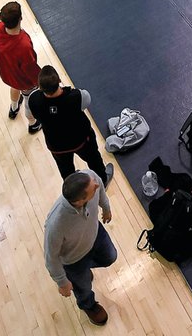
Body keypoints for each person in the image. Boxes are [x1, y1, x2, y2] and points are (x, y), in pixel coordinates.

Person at [43, 171, 115, 328]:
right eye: (92, 188)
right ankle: (88, 305)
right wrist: (62, 282)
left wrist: (106, 208)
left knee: (110, 256)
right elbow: (51, 258)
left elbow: (101, 187)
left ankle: (84, 270)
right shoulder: (56, 224)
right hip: (74, 260)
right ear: (79, 201)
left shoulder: (90, 177)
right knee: (83, 288)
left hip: (95, 235)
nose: (95, 184)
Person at [28, 65, 113, 185]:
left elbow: (34, 114)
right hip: (81, 140)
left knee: (65, 170)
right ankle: (103, 179)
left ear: (40, 87)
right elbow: (86, 98)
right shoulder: (77, 97)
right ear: (59, 81)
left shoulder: (33, 100)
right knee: (94, 160)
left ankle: (74, 189)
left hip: (56, 145)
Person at [0, 1, 42, 131]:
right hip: (24, 80)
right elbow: (30, 68)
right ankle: (32, 123)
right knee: (29, 99)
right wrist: (40, 81)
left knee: (14, 87)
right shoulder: (23, 45)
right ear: (21, 18)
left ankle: (13, 108)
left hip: (7, 73)